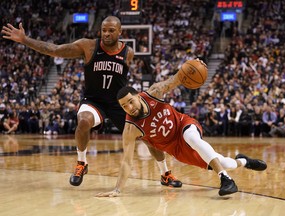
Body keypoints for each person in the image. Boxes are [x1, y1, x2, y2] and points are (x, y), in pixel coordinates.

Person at [1, 16, 182, 187]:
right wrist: (25, 40)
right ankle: (82, 163)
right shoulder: (87, 46)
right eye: (104, 30)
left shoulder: (128, 53)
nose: (106, 34)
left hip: (120, 104)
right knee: (84, 121)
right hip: (94, 100)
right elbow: (54, 49)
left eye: (111, 30)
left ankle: (165, 174)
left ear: (120, 32)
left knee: (149, 137)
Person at [95, 63, 267, 197]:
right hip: (175, 149)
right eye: (124, 106)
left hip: (183, 124)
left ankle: (225, 179)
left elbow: (177, 78)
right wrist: (117, 190)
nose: (129, 107)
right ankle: (244, 162)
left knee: (192, 138)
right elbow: (126, 161)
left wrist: (193, 64)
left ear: (138, 96)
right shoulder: (130, 128)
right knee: (225, 163)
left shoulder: (154, 92)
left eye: (130, 101)